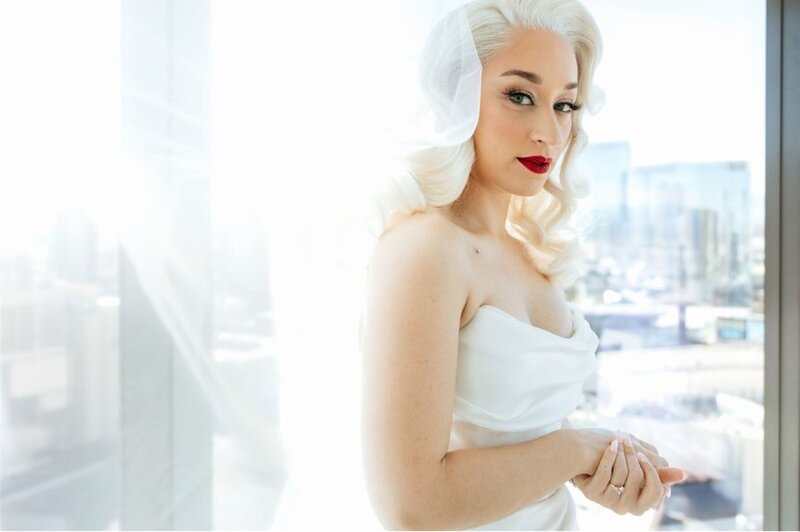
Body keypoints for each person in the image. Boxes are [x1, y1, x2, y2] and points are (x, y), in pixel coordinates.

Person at [359, 0, 686, 529]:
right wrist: (576, 451)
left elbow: (517, 436)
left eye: (565, 105)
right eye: (520, 95)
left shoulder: (527, 252)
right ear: (454, 97)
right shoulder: (426, 248)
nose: (550, 134)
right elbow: (411, 506)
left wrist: (607, 473)